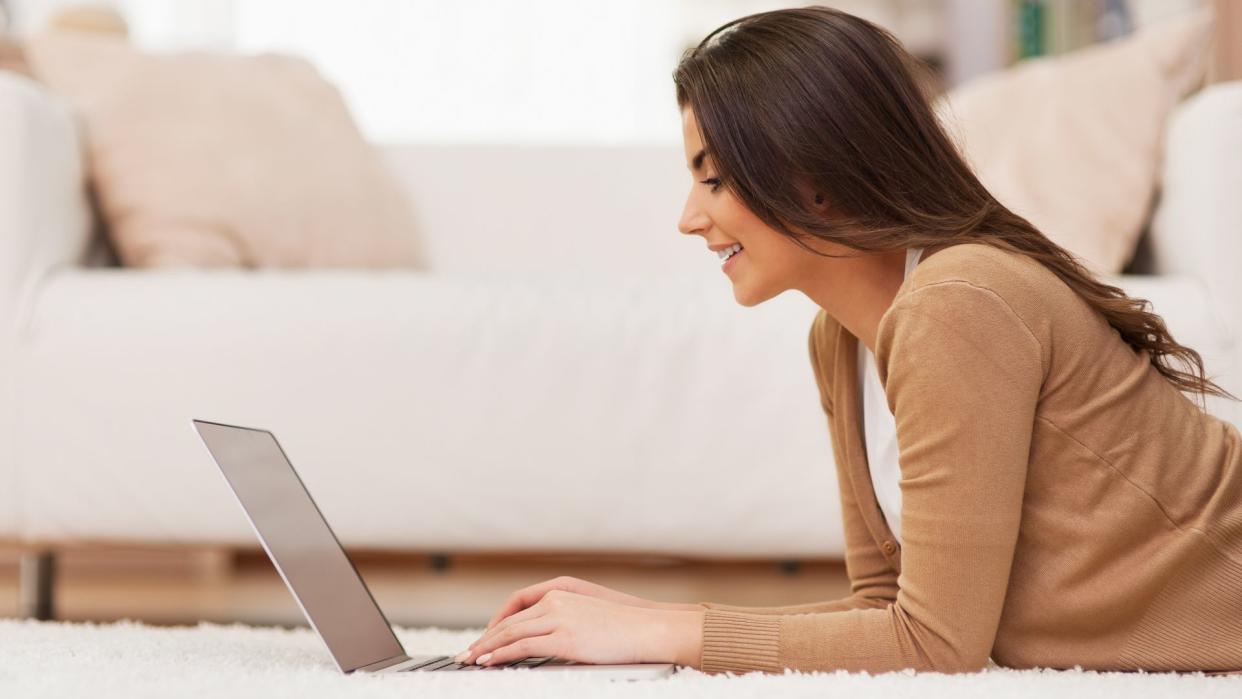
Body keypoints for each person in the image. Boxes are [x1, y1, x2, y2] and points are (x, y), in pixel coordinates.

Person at [454, 6, 1242, 675]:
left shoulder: (956, 301)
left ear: (815, 175)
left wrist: (668, 629)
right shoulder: (840, 338)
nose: (689, 217)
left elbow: (934, 644)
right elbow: (889, 611)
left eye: (715, 179)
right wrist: (650, 616)